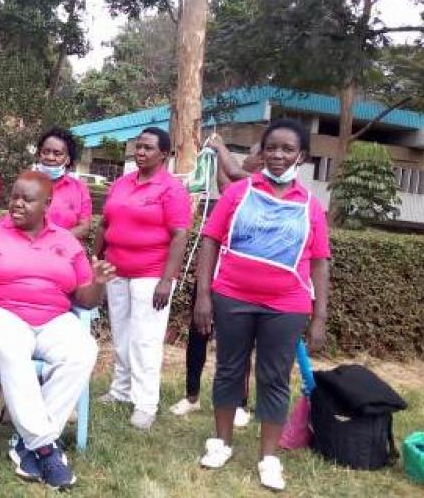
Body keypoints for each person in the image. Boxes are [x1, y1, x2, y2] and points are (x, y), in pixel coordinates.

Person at [0, 170, 115, 489]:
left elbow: (85, 301)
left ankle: (26, 443)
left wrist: (99, 283)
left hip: (53, 319)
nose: (16, 204)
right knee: (12, 344)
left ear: (47, 204)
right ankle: (46, 448)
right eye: (14, 197)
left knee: (83, 350)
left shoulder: (66, 242)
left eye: (27, 199)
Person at [194, 119, 330, 491]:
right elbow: (208, 240)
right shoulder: (239, 192)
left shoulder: (311, 207)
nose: (279, 155)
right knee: (229, 370)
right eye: (272, 148)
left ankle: (269, 458)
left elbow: (319, 261)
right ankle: (220, 442)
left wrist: (319, 315)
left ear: (301, 155)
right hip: (232, 296)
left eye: (288, 149)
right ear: (261, 152)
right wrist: (203, 294)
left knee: (274, 377)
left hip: (287, 304)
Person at [95, 127, 191, 430]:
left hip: (151, 274)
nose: (140, 152)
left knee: (144, 340)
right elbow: (105, 224)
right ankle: (120, 391)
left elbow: (180, 236)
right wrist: (96, 260)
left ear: (163, 154)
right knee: (121, 336)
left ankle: (146, 403)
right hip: (116, 269)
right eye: (138, 147)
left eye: (148, 148)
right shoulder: (122, 184)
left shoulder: (171, 189)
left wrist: (167, 280)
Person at [169, 137, 259, 427]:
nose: (251, 158)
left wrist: (220, 147)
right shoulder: (237, 185)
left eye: (254, 154)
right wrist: (215, 154)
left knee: (239, 342)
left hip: (242, 278)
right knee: (198, 333)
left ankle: (241, 403)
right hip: (213, 271)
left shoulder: (261, 183)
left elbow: (232, 174)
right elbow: (225, 183)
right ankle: (191, 396)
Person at [32, 127, 91, 240]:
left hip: (65, 253)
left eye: (57, 153)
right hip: (29, 251)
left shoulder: (79, 189)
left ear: (67, 159)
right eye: (46, 152)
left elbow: (84, 228)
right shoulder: (26, 183)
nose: (50, 157)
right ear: (39, 155)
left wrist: (54, 241)